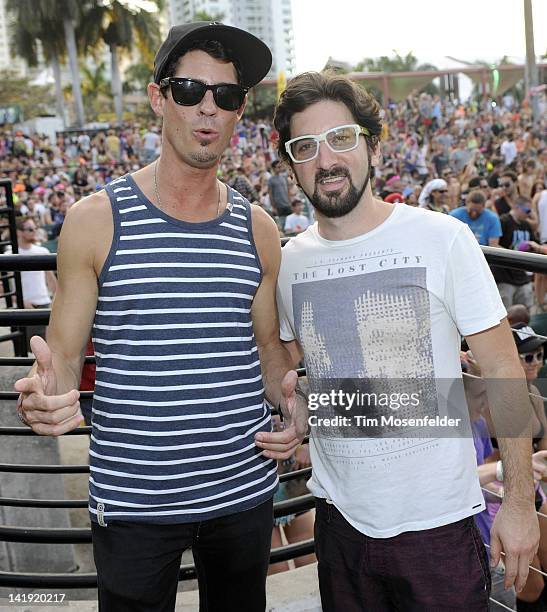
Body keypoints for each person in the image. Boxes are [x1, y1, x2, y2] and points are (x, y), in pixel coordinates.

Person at [14, 22, 306, 612]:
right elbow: (64, 356)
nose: (207, 108)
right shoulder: (97, 220)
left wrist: (294, 406)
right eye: (189, 90)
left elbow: (269, 346)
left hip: (243, 493)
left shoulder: (258, 229)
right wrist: (47, 396)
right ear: (158, 97)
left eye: (224, 96)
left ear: (239, 110)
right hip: (134, 505)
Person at [257, 70, 540, 611]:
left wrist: (521, 502)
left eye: (341, 138)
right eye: (305, 146)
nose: (326, 159)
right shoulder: (290, 263)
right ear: (290, 164)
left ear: (372, 143)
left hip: (438, 528)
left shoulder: (442, 238)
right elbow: (306, 371)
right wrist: (301, 414)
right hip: (340, 526)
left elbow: (504, 370)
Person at [11, 216, 57, 352]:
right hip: (21, 307)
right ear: (19, 232)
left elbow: (51, 280)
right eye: (30, 229)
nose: (34, 231)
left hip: (43, 303)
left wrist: (56, 300)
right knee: (24, 349)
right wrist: (21, 300)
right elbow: (4, 286)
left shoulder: (42, 252)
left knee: (45, 349)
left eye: (35, 228)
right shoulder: (10, 253)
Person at [492, 198, 536, 311]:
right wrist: (514, 254)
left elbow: (534, 245)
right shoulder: (503, 221)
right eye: (527, 211)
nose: (529, 214)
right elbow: (493, 245)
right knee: (505, 312)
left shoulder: (526, 225)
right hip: (504, 276)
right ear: (516, 208)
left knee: (525, 312)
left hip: (522, 276)